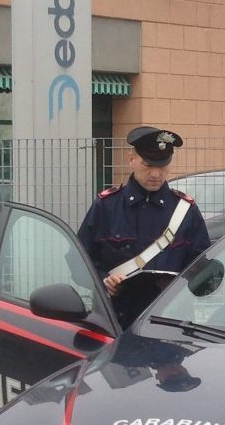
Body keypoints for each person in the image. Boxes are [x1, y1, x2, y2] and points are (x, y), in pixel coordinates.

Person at [78, 127, 210, 328]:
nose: (156, 174)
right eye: (148, 165)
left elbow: (203, 268)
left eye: (163, 165)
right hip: (116, 320)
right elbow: (79, 261)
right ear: (131, 159)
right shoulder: (106, 207)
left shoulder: (185, 211)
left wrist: (181, 284)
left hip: (170, 322)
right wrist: (104, 281)